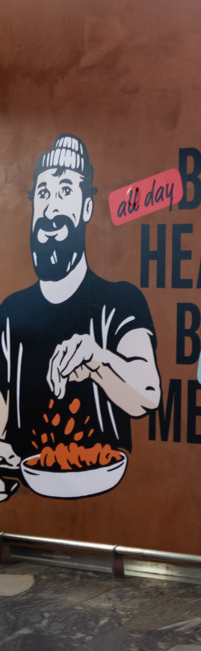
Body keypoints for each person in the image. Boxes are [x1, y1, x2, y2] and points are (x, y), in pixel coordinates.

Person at [0, 135, 160, 500]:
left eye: (65, 191)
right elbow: (1, 402)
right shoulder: (11, 311)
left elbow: (148, 394)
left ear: (87, 207)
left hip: (106, 484)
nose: (51, 208)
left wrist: (99, 359)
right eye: (43, 193)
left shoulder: (121, 301)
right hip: (30, 486)